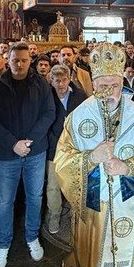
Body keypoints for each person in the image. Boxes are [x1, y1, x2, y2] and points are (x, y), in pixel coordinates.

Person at [54, 43, 134, 267]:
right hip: (94, 209)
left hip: (127, 205)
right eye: (102, 85)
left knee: (129, 264)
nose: (108, 92)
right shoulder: (78, 117)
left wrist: (128, 168)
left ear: (122, 83)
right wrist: (92, 158)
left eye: (114, 85)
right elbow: (61, 161)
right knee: (92, 262)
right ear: (93, 84)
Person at [0, 43, 55, 267]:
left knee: (35, 196)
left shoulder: (41, 84)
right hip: (7, 153)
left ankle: (32, 237)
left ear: (30, 61)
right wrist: (13, 143)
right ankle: (3, 244)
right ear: (8, 60)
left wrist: (29, 141)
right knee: (5, 201)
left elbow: (49, 113)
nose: (19, 64)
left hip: (35, 151)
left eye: (24, 60)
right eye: (15, 60)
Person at [46, 65, 86, 234]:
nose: (61, 84)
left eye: (64, 80)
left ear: (69, 79)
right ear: (51, 81)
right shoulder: (46, 97)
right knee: (53, 184)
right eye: (57, 81)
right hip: (53, 148)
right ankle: (54, 213)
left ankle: (77, 212)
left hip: (75, 147)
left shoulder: (80, 96)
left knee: (75, 182)